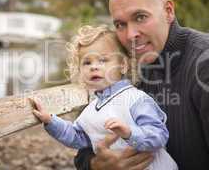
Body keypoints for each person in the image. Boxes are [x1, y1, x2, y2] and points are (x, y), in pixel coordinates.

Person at [74, 0, 209, 170]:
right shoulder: (127, 69)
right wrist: (96, 165)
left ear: (168, 11)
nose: (131, 35)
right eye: (120, 24)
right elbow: (84, 145)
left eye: (140, 17)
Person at [30, 25, 178, 170]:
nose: (94, 67)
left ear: (123, 65)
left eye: (103, 60)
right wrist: (50, 120)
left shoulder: (136, 99)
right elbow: (77, 137)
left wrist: (129, 133)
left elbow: (159, 135)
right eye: (87, 62)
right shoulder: (90, 111)